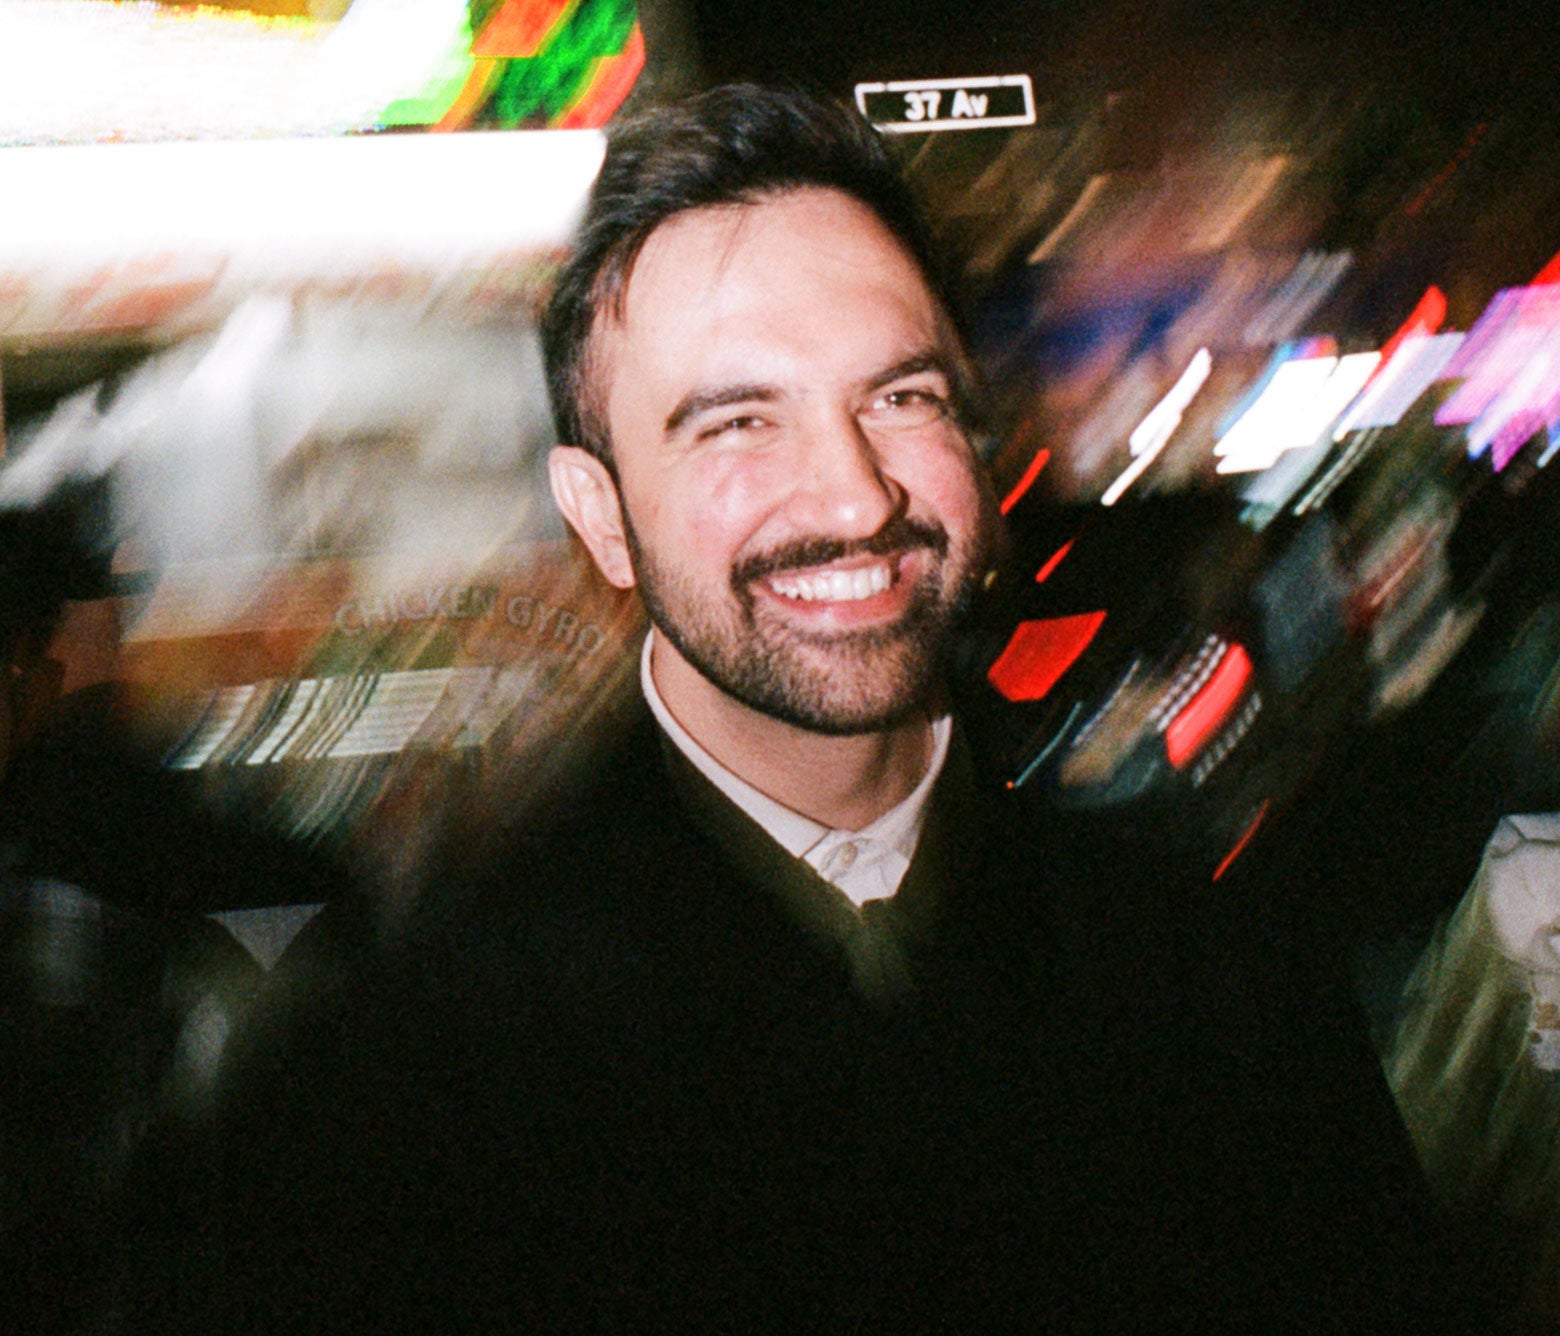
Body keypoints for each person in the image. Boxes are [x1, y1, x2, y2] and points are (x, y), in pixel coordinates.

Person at [145, 84, 1480, 1333]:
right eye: (736, 424)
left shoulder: (1220, 990)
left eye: (900, 399)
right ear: (598, 516)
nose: (853, 498)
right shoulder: (398, 1092)